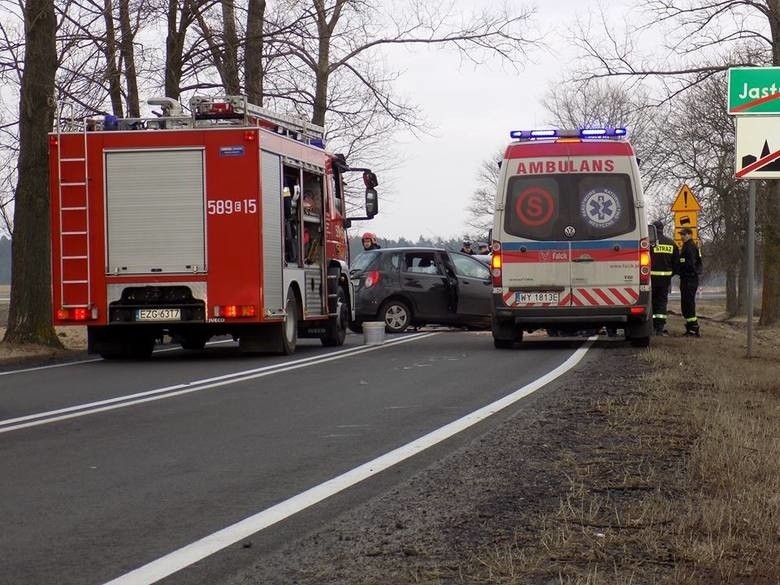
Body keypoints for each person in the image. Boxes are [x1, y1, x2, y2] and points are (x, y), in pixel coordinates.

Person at [650, 219, 679, 335]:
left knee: (652, 301)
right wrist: (670, 274)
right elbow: (677, 264)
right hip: (665, 279)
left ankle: (652, 326)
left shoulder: (650, 243)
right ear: (662, 229)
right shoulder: (671, 243)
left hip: (651, 279)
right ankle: (660, 327)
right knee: (662, 302)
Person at [678, 227, 702, 336]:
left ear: (689, 234)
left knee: (689, 304)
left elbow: (691, 265)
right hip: (686, 279)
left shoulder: (691, 247)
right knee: (686, 304)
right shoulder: (686, 246)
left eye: (684, 234)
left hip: (689, 279)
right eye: (681, 234)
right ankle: (690, 327)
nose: (682, 237)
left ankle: (693, 328)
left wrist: (685, 272)